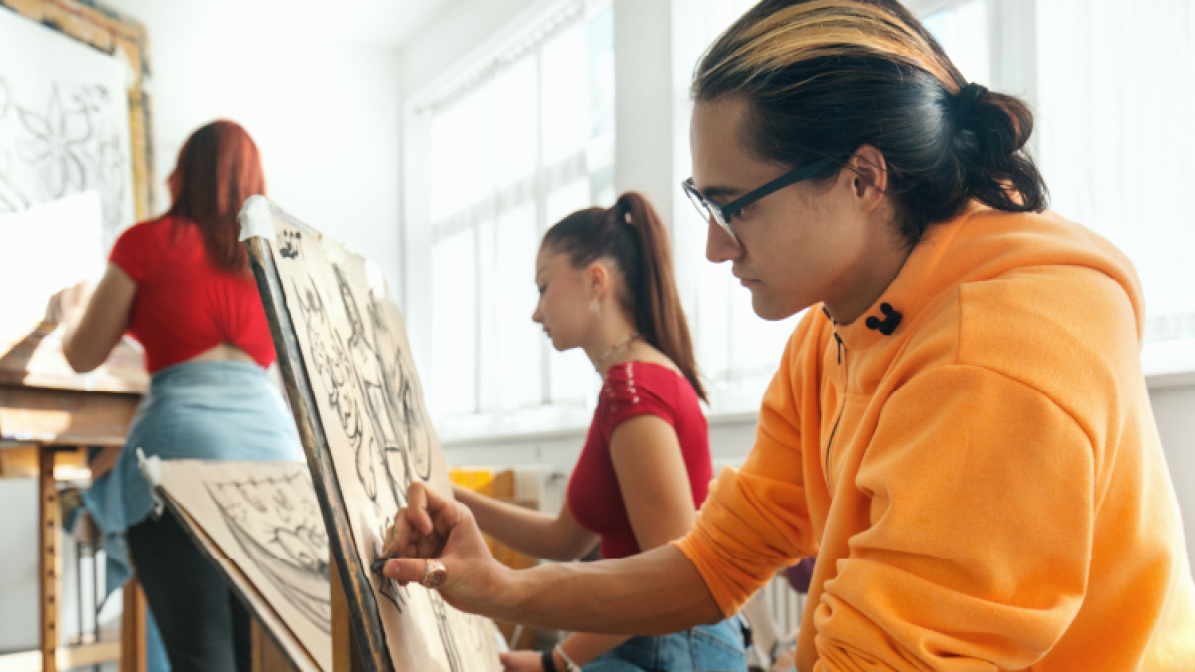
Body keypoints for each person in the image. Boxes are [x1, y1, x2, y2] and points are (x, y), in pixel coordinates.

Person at [381, 1, 1195, 670]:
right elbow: (718, 559)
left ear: (863, 177)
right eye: (706, 205)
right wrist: (503, 591)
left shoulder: (994, 354)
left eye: (735, 206)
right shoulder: (837, 321)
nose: (714, 245)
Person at [457, 193, 746, 672]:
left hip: (671, 644)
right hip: (656, 637)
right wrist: (458, 499)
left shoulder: (633, 387)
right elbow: (562, 539)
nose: (535, 312)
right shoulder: (631, 382)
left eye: (544, 286)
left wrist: (557, 661)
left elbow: (666, 577)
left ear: (596, 281)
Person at [55, 120, 302, 671]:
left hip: (176, 459)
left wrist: (67, 311)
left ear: (182, 174)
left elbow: (81, 355)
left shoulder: (145, 244)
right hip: (275, 462)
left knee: (201, 655)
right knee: (261, 656)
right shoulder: (275, 258)